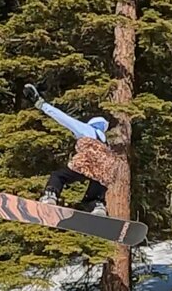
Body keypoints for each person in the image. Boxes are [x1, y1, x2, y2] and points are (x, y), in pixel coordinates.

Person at [24, 83, 118, 216]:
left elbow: (64, 119)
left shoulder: (87, 129)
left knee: (59, 176)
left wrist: (41, 104)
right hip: (105, 168)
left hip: (87, 162)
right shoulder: (105, 142)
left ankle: (50, 196)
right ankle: (97, 205)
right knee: (99, 182)